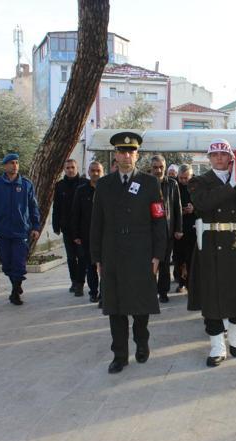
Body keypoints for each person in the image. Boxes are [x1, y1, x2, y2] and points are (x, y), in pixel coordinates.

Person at [90, 132, 167, 374]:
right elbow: (96, 223)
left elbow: (158, 220)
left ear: (137, 154)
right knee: (115, 307)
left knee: (140, 306)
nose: (126, 156)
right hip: (112, 254)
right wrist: (97, 258)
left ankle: (141, 341)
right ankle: (119, 355)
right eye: (121, 151)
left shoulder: (149, 183)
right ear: (115, 155)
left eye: (130, 151)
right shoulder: (104, 184)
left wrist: (158, 255)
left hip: (141, 254)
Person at [187, 139, 236, 367]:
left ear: (230, 158)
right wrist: (232, 185)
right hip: (211, 245)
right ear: (209, 158)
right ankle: (217, 346)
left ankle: (235, 339)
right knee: (212, 300)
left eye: (223, 154)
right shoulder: (199, 181)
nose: (218, 158)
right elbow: (204, 203)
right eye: (214, 154)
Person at [0, 153, 41, 306]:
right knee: (7, 263)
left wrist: (35, 226)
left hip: (21, 230)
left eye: (16, 163)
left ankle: (15, 290)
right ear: (5, 166)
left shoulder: (26, 184)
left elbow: (33, 207)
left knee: (19, 262)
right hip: (2, 230)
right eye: (11, 163)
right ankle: (16, 283)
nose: (15, 165)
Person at [150, 155, 183, 303]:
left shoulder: (172, 184)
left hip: (167, 230)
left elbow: (177, 207)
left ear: (165, 166)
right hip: (148, 231)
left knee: (164, 263)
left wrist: (178, 228)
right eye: (155, 167)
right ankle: (149, 291)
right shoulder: (145, 183)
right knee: (150, 263)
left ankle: (163, 292)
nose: (158, 170)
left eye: (161, 167)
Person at [53, 159, 88, 296]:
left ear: (77, 167)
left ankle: (80, 283)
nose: (70, 170)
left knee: (82, 256)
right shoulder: (60, 186)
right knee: (71, 257)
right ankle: (74, 281)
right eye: (67, 167)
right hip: (67, 228)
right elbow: (56, 207)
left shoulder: (84, 183)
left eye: (72, 167)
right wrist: (56, 225)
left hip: (82, 228)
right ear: (64, 169)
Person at [71, 161, 104, 303]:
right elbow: (75, 213)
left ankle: (104, 293)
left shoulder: (108, 189)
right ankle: (93, 292)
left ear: (102, 172)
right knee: (90, 266)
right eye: (93, 170)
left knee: (105, 266)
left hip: (105, 235)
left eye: (98, 170)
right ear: (88, 172)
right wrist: (76, 234)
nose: (95, 173)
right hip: (87, 235)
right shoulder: (81, 190)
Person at [173, 164, 196, 293]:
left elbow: (203, 203)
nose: (183, 181)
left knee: (191, 258)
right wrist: (179, 211)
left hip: (193, 228)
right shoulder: (174, 185)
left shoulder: (197, 185)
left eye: (186, 178)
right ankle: (180, 282)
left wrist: (194, 208)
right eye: (181, 178)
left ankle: (190, 283)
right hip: (178, 228)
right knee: (178, 258)